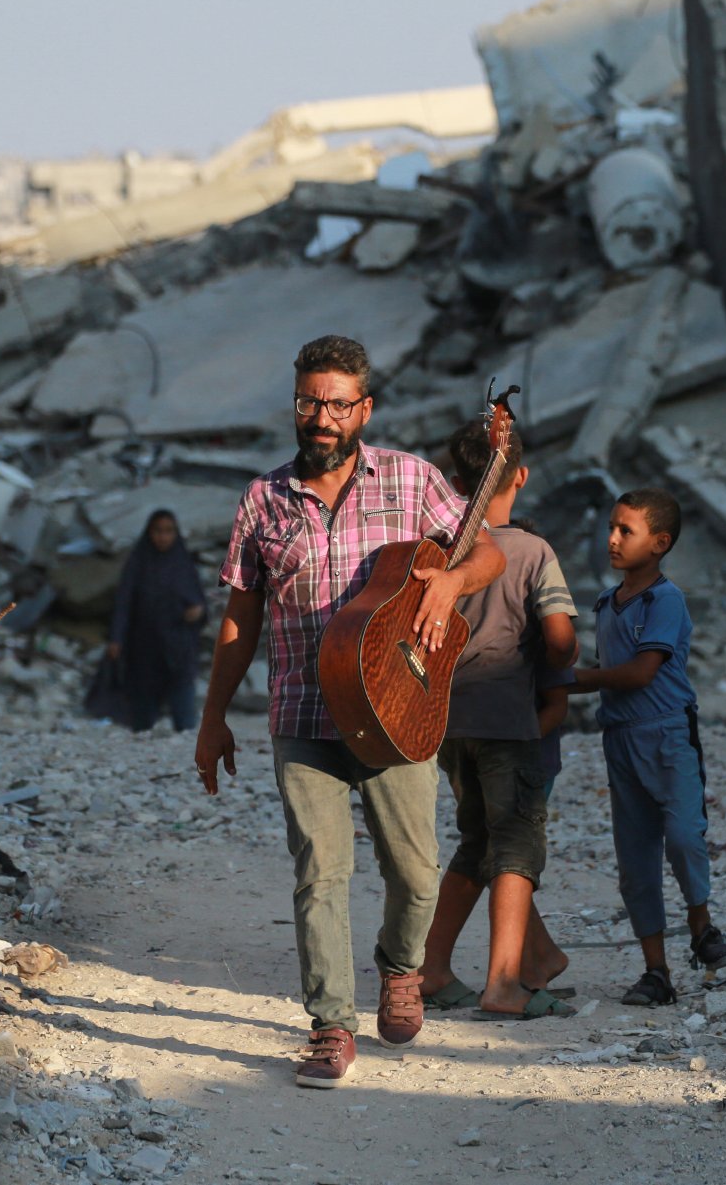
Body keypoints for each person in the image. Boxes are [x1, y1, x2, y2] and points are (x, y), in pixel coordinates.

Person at [194, 335, 506, 1090]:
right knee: (320, 874)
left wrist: (448, 584)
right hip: (303, 709)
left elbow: (488, 551)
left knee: (417, 871)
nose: (322, 417)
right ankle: (331, 1024)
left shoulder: (410, 478)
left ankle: (400, 967)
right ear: (295, 403)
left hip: (397, 707)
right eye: (310, 401)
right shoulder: (262, 500)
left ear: (364, 408)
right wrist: (213, 717)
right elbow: (241, 617)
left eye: (338, 403)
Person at [418, 423, 579, 1020]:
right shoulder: (534, 552)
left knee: (476, 844)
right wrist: (560, 657)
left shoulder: (442, 552)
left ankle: (431, 968)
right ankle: (504, 983)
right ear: (523, 475)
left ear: (457, 485)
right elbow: (560, 641)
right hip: (509, 719)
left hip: (446, 720)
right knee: (516, 847)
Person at [569, 488, 726, 1007]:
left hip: (666, 733)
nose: (613, 539)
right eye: (612, 528)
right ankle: (656, 971)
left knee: (686, 835)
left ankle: (702, 925)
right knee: (635, 857)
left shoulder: (665, 601)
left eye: (627, 531)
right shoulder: (605, 603)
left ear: (660, 543)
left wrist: (575, 680)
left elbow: (642, 672)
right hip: (620, 738)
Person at [106, 509, 206, 732]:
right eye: (158, 531)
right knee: (143, 712)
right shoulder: (138, 563)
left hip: (178, 646)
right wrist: (116, 638)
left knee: (184, 713)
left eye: (168, 531)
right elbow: (124, 602)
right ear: (149, 533)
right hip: (144, 646)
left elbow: (199, 602)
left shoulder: (183, 564)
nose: (163, 537)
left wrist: (197, 612)